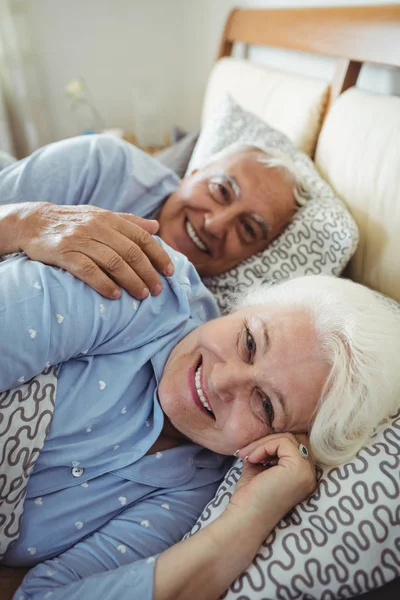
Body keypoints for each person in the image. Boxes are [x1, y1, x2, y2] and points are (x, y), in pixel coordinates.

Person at [2, 239, 400, 599]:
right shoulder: (145, 287)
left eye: (265, 406)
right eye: (249, 341)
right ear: (245, 306)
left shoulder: (194, 493)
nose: (222, 381)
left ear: (282, 439)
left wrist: (249, 517)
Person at [0, 134, 308, 300]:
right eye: (220, 191)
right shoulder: (101, 162)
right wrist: (30, 222)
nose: (215, 224)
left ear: (254, 255)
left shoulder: (200, 313)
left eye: (248, 229)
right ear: (193, 173)